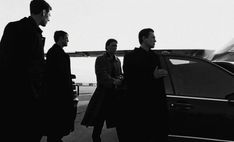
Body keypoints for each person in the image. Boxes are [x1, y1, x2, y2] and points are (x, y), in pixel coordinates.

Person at [0, 0, 52, 141]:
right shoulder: (30, 32)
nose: (49, 18)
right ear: (43, 12)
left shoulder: (13, 27)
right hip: (26, 100)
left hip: (13, 98)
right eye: (49, 14)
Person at [121, 28, 168, 142]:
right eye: (153, 37)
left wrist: (165, 57)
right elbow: (130, 78)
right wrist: (152, 76)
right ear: (144, 38)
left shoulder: (156, 57)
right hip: (139, 107)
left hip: (155, 107)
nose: (155, 40)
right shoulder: (130, 56)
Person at [81, 38, 124, 142]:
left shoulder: (118, 60)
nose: (115, 48)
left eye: (116, 46)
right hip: (103, 94)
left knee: (118, 119)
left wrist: (121, 78)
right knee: (99, 120)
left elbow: (120, 74)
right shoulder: (100, 59)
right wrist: (114, 81)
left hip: (115, 94)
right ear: (107, 46)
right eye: (113, 45)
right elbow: (101, 75)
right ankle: (96, 138)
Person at [44, 30, 76, 142]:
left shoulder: (54, 52)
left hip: (59, 95)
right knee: (57, 126)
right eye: (66, 38)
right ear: (61, 38)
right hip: (59, 96)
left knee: (56, 128)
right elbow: (57, 75)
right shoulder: (56, 53)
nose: (68, 40)